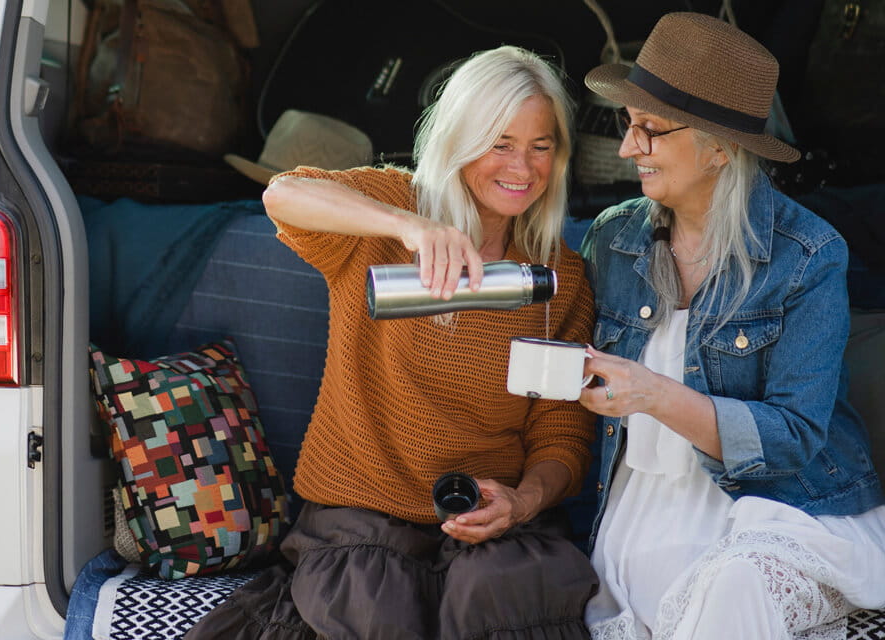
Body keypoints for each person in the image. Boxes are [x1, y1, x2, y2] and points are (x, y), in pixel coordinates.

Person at [185, 45, 598, 640]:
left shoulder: (558, 276)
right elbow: (283, 194)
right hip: (361, 521)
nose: (523, 167)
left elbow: (561, 433)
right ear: (460, 138)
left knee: (501, 601)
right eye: (500, 142)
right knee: (376, 611)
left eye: (542, 145)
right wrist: (411, 226)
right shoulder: (389, 212)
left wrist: (524, 502)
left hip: (493, 528)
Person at [576, 12, 885, 639]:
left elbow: (795, 435)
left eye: (650, 130)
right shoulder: (613, 238)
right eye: (627, 124)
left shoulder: (809, 254)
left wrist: (653, 394)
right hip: (640, 521)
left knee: (735, 586)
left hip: (784, 511)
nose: (627, 148)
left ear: (721, 146)